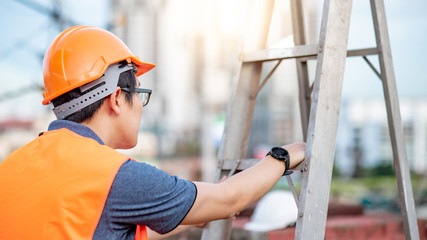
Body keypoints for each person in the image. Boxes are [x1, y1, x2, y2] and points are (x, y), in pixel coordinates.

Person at [0, 26, 305, 240]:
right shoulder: (113, 176)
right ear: (117, 98)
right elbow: (229, 200)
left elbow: (114, 227)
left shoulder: (12, 167)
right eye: (140, 94)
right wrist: (285, 156)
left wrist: (194, 209)